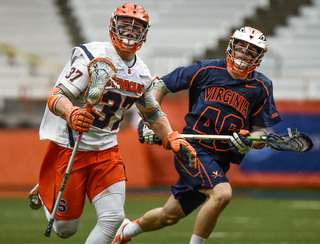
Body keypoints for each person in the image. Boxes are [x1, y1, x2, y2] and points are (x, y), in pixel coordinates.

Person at [27, 3, 196, 244]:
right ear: (113, 27)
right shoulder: (93, 56)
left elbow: (152, 112)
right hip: (72, 147)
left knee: (113, 217)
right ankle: (48, 188)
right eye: (125, 25)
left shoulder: (141, 72)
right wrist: (72, 113)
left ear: (144, 35)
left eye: (136, 28)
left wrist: (169, 136)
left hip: (107, 151)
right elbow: (57, 97)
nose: (129, 32)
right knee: (65, 230)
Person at [112, 26, 283, 244]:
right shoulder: (206, 69)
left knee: (169, 216)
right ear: (231, 47)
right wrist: (149, 121)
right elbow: (160, 85)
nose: (243, 55)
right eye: (240, 49)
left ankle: (125, 232)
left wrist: (247, 141)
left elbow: (259, 132)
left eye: (250, 52)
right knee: (222, 194)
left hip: (220, 160)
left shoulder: (262, 86)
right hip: (192, 150)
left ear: (258, 57)